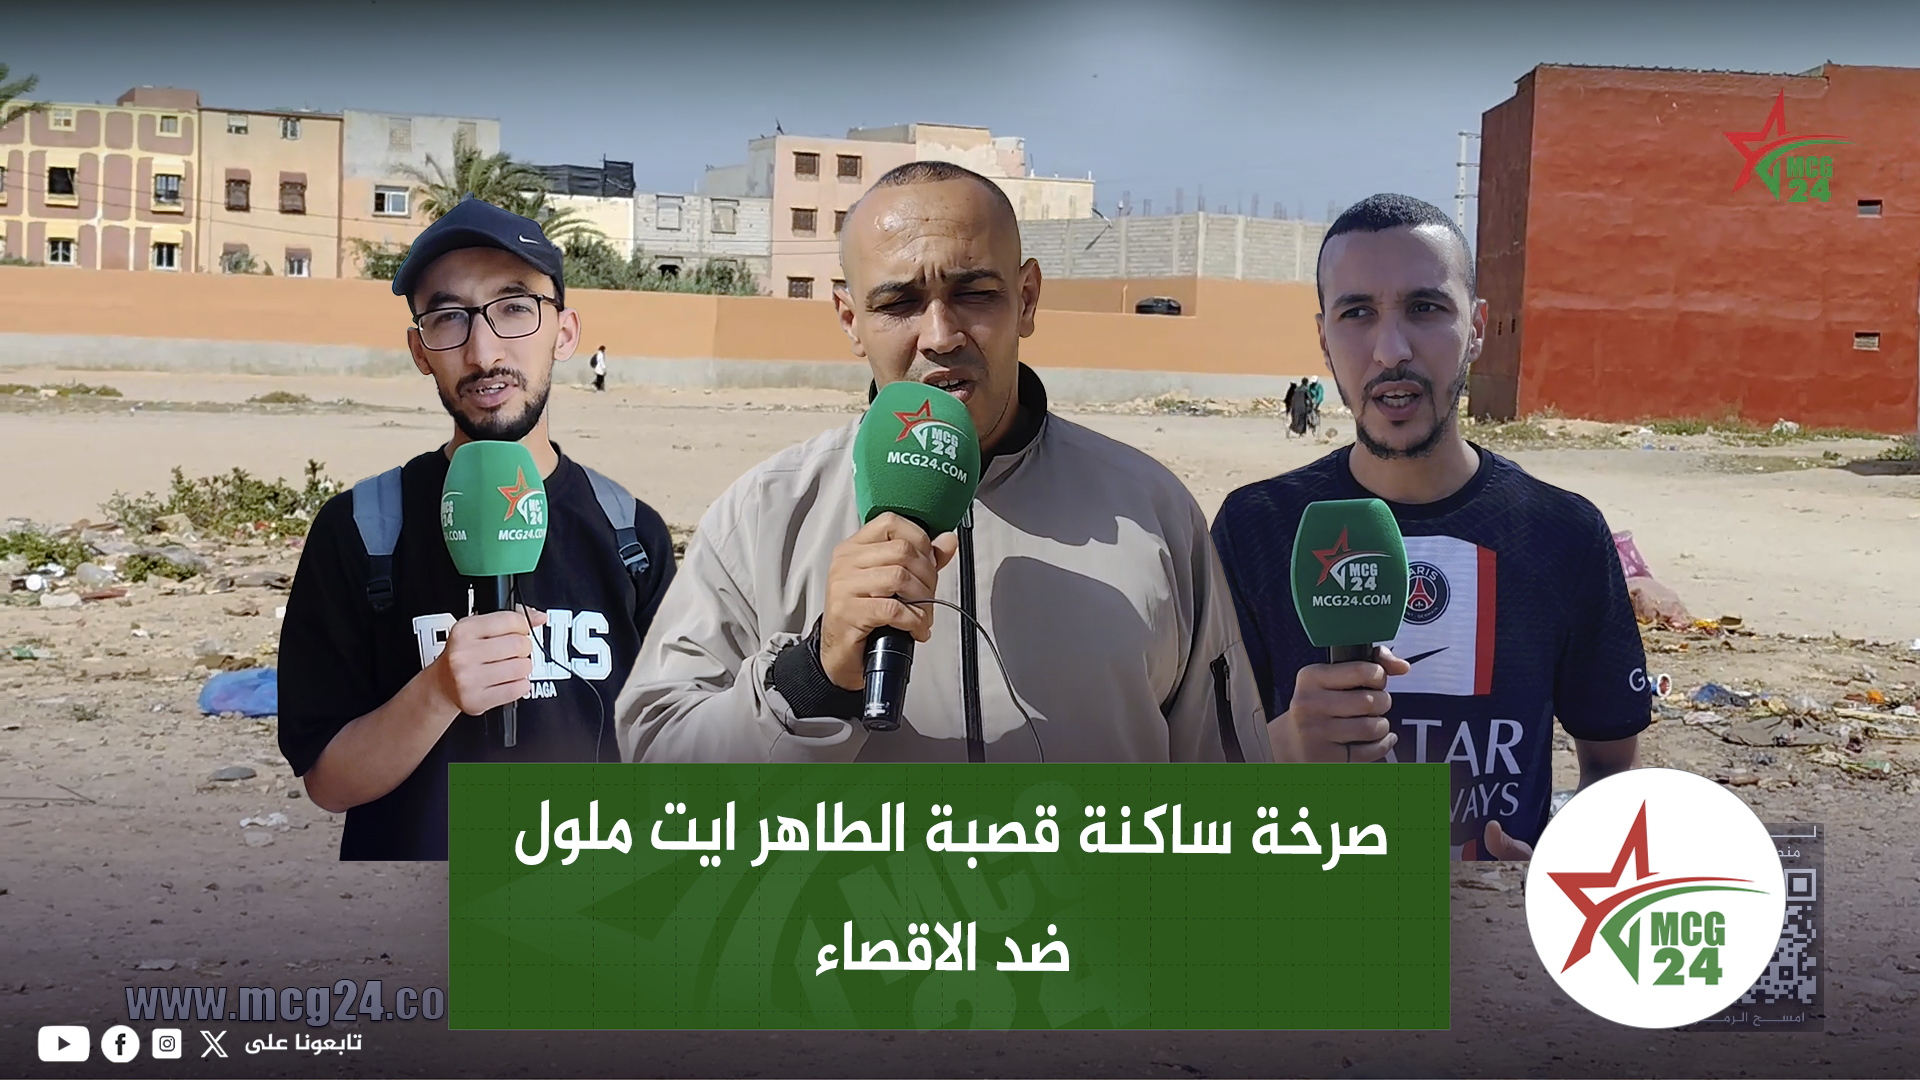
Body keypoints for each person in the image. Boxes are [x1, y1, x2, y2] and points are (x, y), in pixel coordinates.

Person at [616, 161, 1269, 764]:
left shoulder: (1152, 511)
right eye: (898, 303)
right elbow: (659, 765)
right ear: (850, 319)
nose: (939, 335)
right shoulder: (763, 517)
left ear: (1029, 299)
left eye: (974, 294)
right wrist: (813, 676)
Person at [1210, 193, 1645, 860]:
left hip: (1497, 950)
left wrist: (1567, 875)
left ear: (1475, 327)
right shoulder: (1257, 526)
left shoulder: (1566, 533)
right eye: (1357, 313)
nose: (1391, 349)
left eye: (1425, 308)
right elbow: (1197, 775)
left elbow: (1612, 772)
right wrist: (1286, 748)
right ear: (1323, 335)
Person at [276, 198, 677, 860]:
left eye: (515, 308)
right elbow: (328, 781)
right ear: (418, 349)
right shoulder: (358, 531)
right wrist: (439, 692)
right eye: (448, 317)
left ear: (566, 332)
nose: (484, 350)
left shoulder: (632, 535)